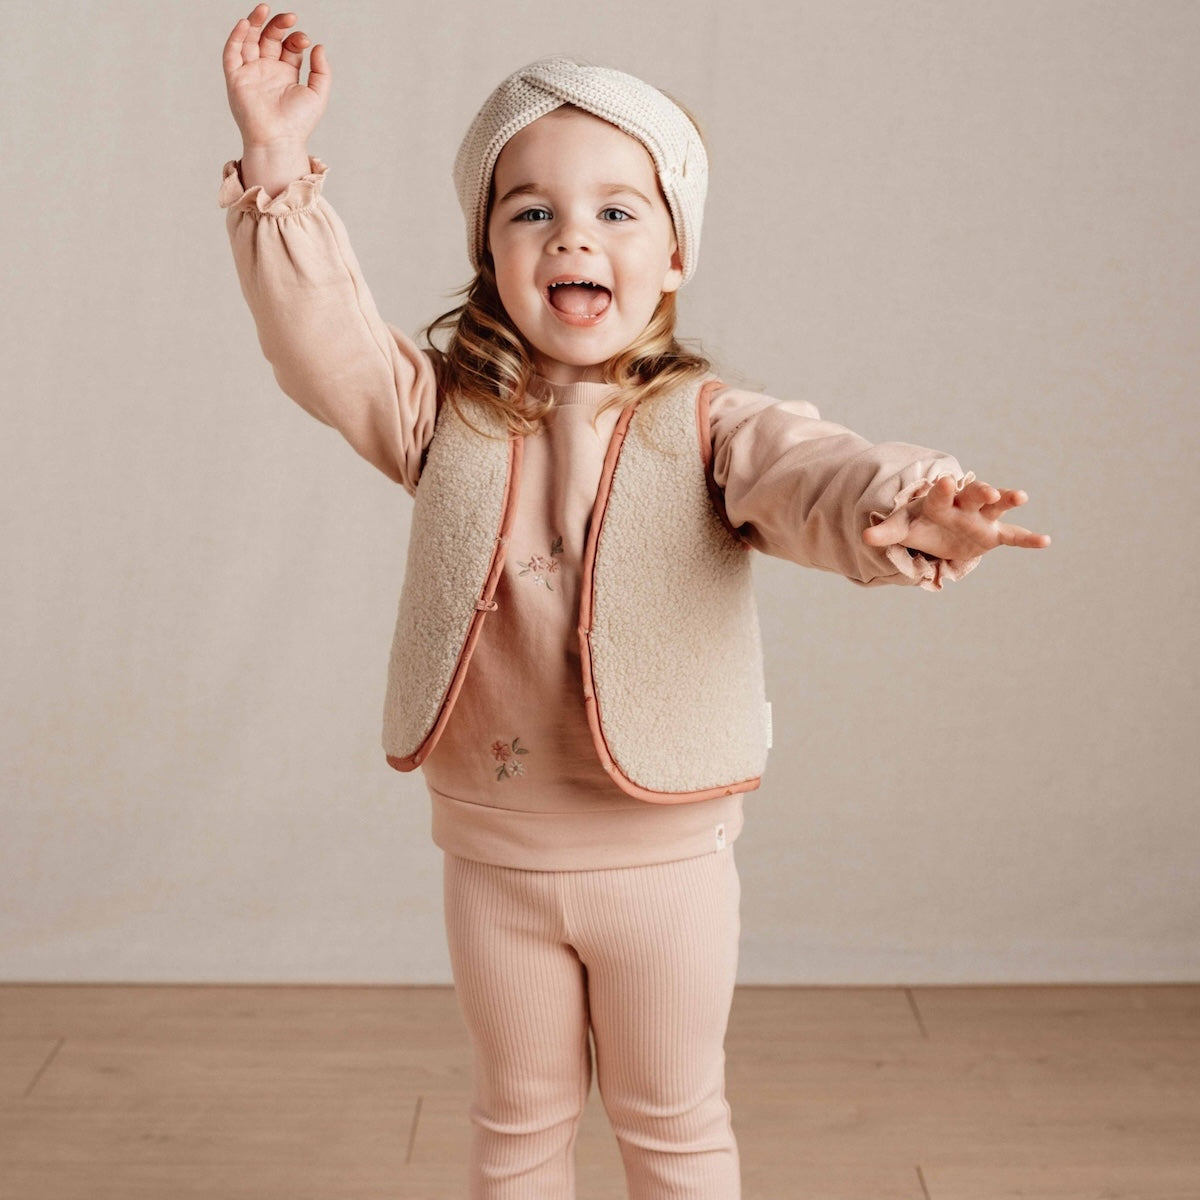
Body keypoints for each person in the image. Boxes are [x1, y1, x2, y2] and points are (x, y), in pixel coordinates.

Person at [220, 7, 1049, 1198]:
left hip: (666, 862)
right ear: (491, 254)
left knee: (673, 1127)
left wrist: (911, 500)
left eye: (619, 208)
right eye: (533, 210)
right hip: (492, 856)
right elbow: (323, 344)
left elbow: (815, 474)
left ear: (672, 254)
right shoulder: (441, 413)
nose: (574, 235)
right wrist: (277, 161)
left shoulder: (712, 424)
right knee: (515, 1125)